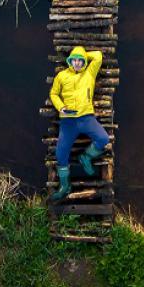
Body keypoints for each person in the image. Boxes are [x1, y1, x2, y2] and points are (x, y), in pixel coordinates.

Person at [49, 45, 110, 202]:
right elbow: (54, 93)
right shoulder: (62, 76)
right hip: (68, 121)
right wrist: (61, 107)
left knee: (103, 139)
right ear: (70, 61)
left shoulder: (90, 73)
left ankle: (86, 157)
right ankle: (65, 186)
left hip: (86, 118)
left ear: (83, 61)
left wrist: (82, 53)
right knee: (60, 154)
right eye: (74, 60)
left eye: (80, 60)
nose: (77, 63)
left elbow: (97, 55)